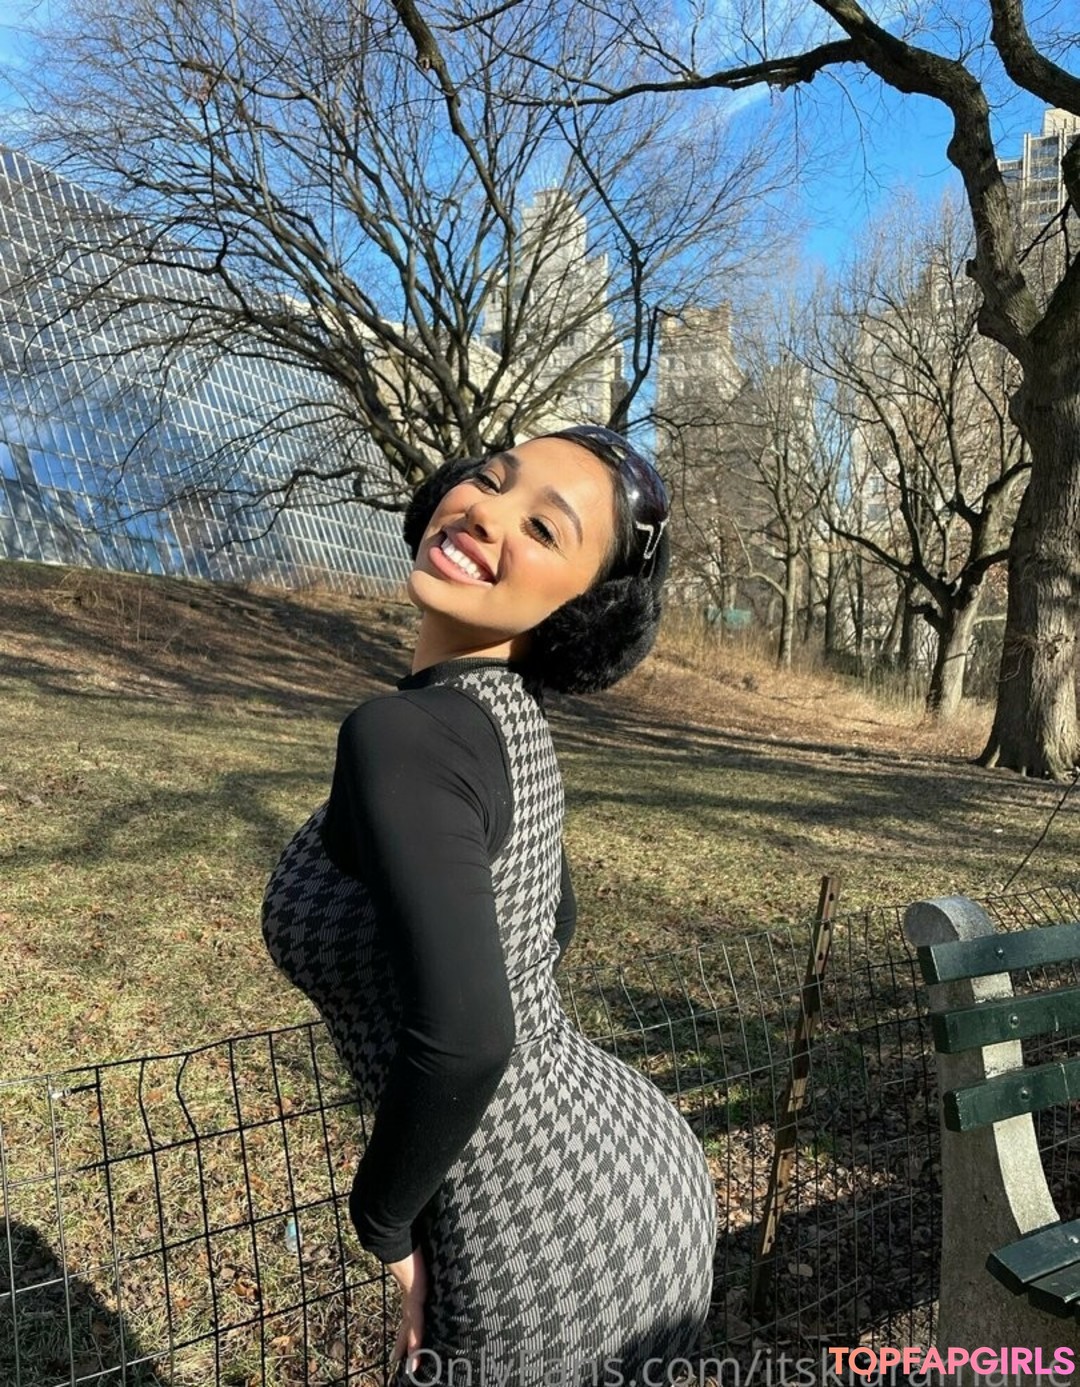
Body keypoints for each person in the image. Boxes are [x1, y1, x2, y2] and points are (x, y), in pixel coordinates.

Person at [261, 425, 716, 1387]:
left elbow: (468, 1039)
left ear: (579, 608)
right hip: (643, 1171)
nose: (486, 513)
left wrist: (384, 1224)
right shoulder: (514, 724)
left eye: (544, 529)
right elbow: (551, 924)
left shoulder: (405, 733)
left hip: (532, 1227)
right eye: (491, 478)